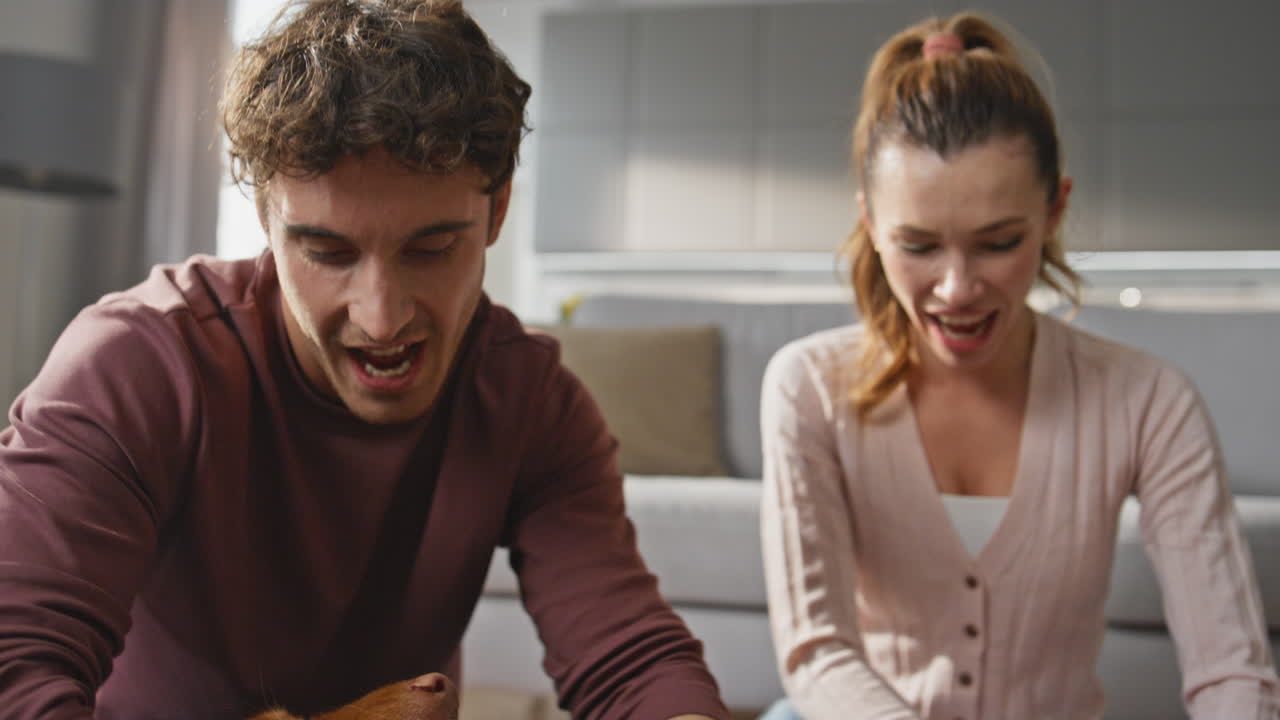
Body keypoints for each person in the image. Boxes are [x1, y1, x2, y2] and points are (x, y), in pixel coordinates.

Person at [0, 1, 729, 718]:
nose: (382, 318)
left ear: (497, 211)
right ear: (266, 218)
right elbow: (15, 659)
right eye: (327, 252)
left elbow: (627, 656)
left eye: (432, 248)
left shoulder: (531, 400)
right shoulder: (137, 365)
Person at [757, 12, 1278, 720]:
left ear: (1054, 211)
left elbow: (1230, 670)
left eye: (998, 243)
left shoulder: (1149, 401)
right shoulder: (807, 387)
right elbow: (817, 652)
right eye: (918, 246)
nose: (957, 288)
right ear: (871, 227)